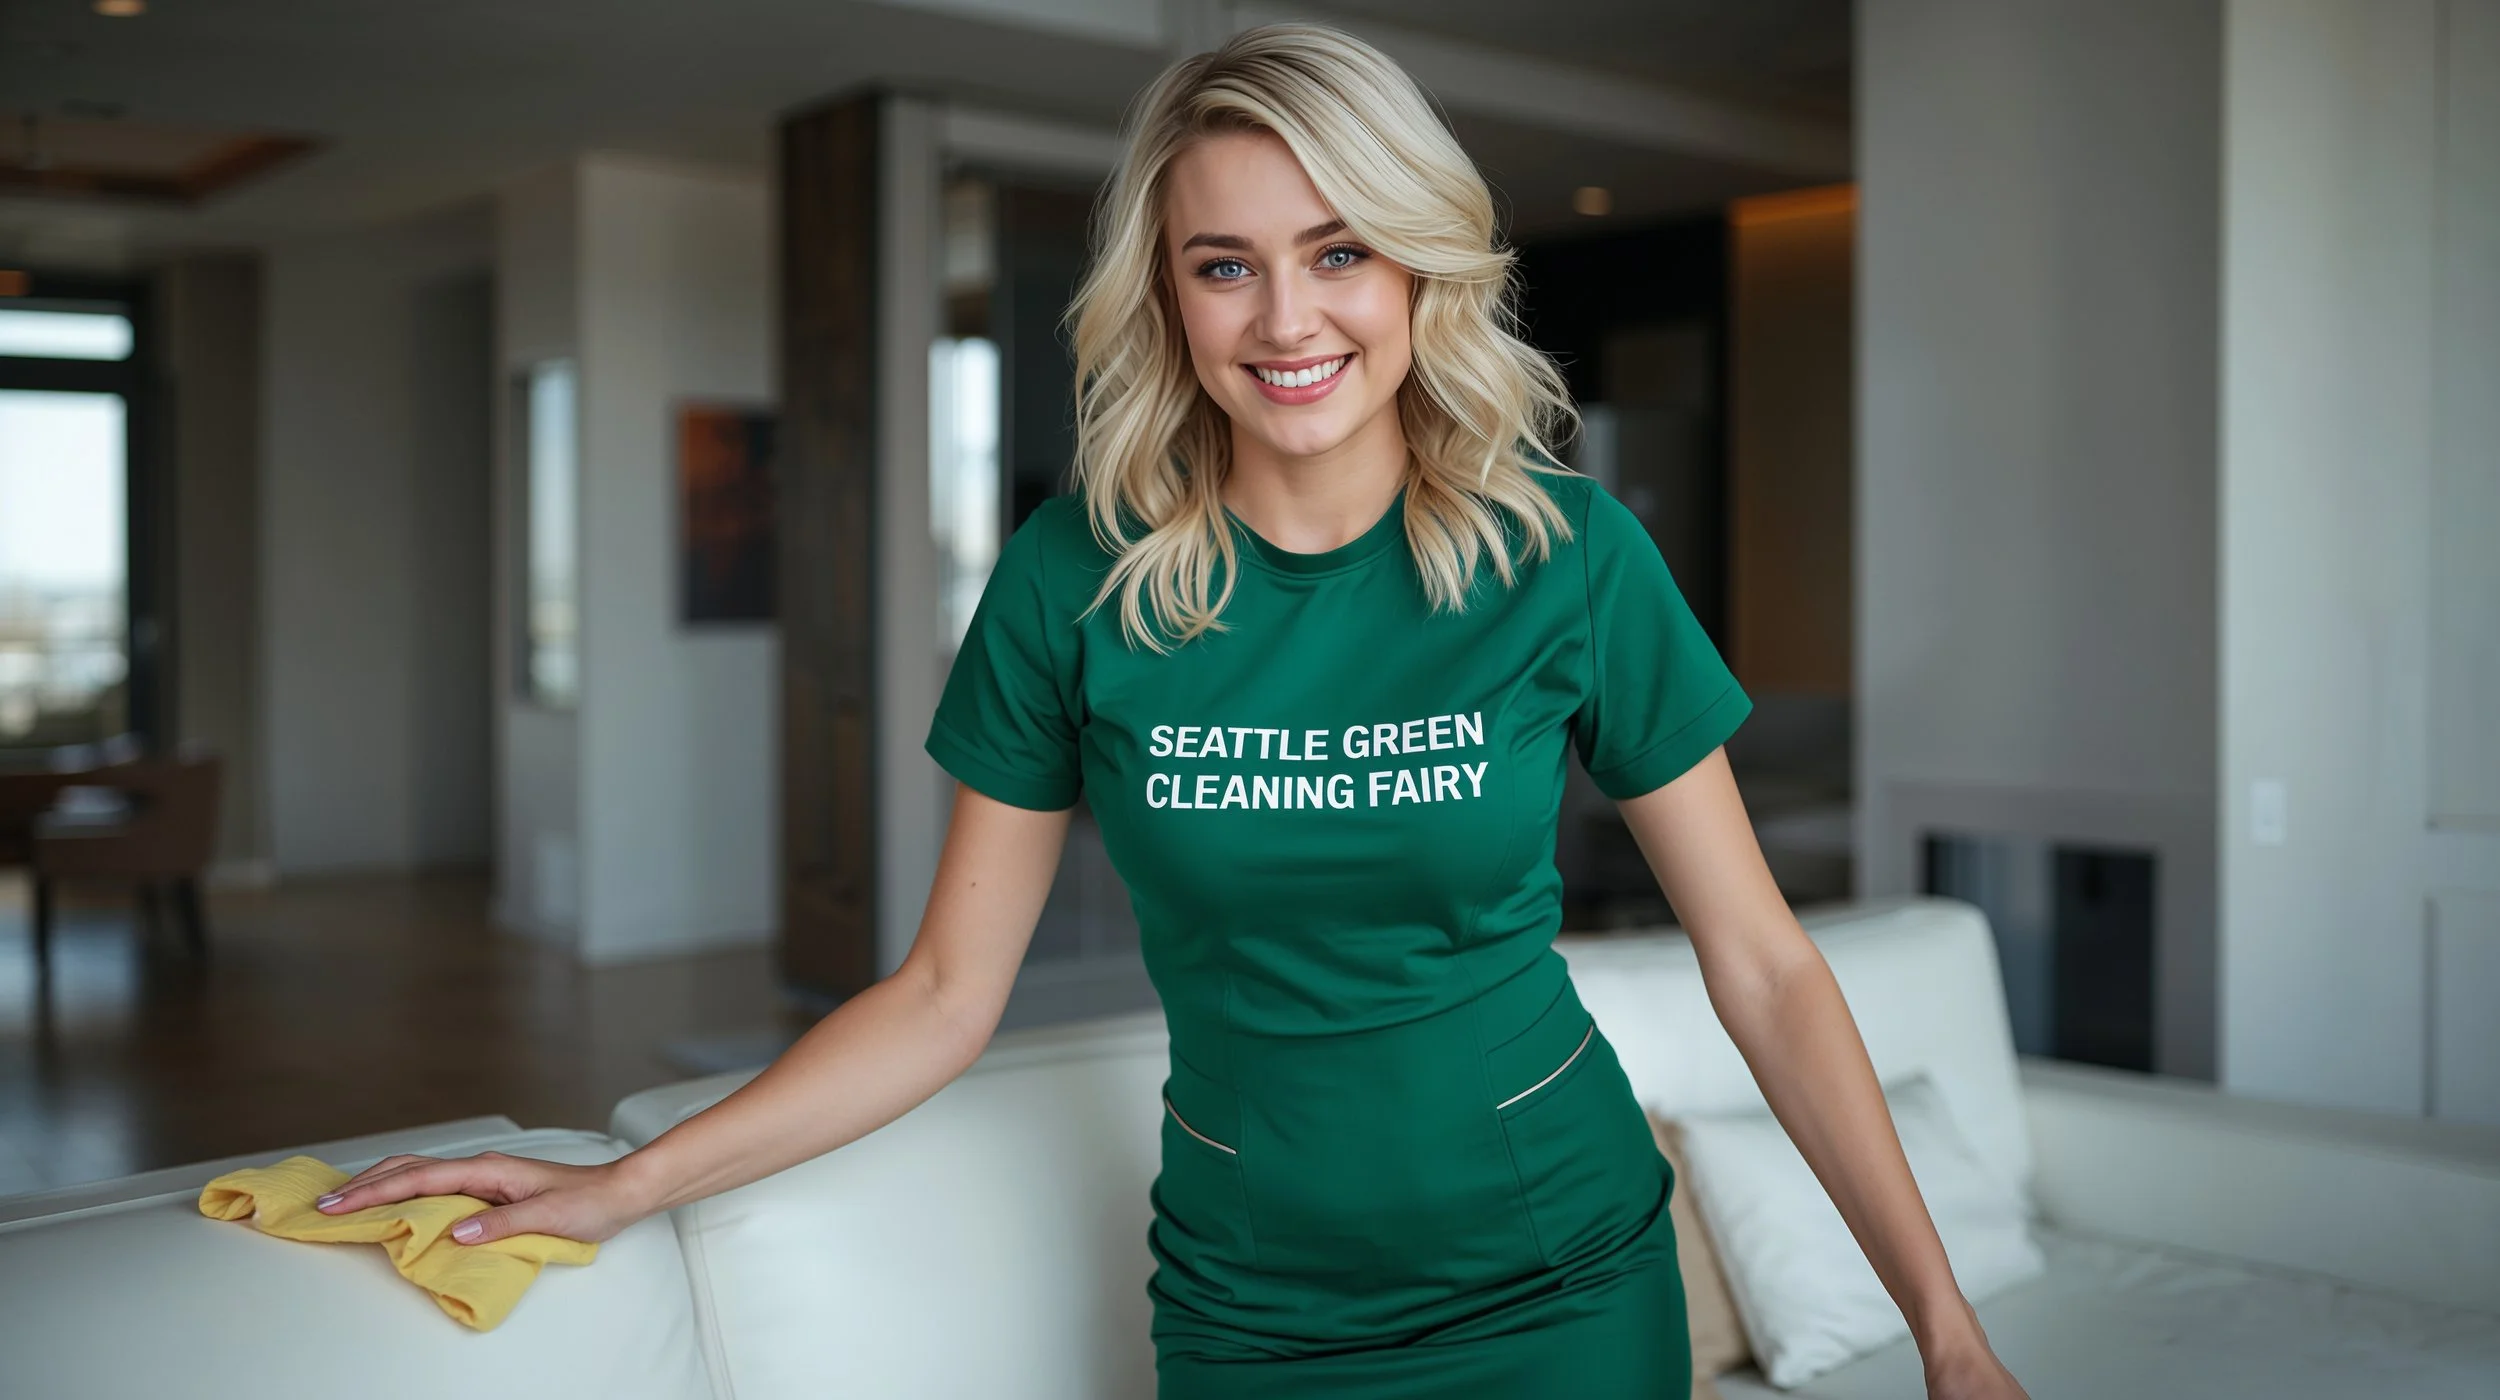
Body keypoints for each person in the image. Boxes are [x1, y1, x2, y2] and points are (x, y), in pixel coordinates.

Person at [314, 23, 2028, 1400]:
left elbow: (1765, 965)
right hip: (1252, 1307)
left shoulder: (1564, 559)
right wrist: (626, 1181)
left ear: (1418, 269)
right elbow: (936, 993)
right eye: (1226, 265)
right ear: (1166, 293)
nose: (1288, 320)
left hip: (1560, 1278)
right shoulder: (1075, 580)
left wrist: (1945, 1337)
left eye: (1339, 251)